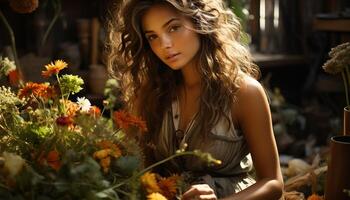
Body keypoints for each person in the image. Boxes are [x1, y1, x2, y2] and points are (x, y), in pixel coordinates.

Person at [106, 0, 284, 199]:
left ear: (200, 22)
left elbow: (274, 183)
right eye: (152, 36)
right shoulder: (150, 94)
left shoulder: (244, 92)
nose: (164, 44)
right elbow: (143, 172)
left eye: (174, 28)